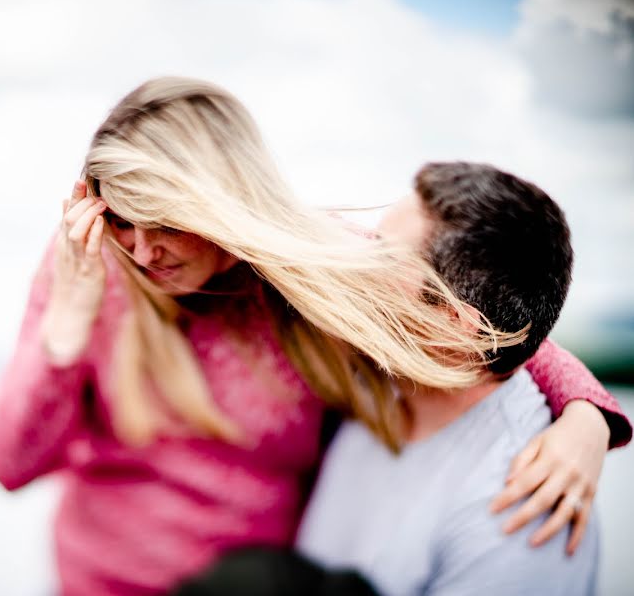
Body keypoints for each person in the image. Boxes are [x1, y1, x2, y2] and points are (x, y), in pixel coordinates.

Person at [0, 78, 630, 596]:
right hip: (95, 584)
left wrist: (586, 416)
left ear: (222, 202)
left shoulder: (303, 265)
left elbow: (479, 320)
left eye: (165, 222)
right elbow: (11, 465)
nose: (143, 251)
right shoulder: (89, 269)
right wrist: (65, 326)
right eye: (123, 218)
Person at [175, 162, 604, 596]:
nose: (356, 263)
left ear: (451, 323)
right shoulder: (387, 375)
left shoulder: (519, 513)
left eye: (383, 256)